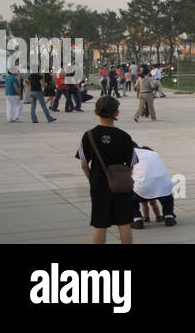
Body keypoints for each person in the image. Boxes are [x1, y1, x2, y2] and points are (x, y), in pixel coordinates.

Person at [75, 96, 137, 245]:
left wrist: (92, 179)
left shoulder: (89, 136)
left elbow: (83, 164)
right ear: (117, 113)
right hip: (120, 185)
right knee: (124, 223)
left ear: (96, 112)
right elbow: (132, 163)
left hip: (99, 184)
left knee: (100, 224)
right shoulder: (124, 136)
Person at [130, 145, 177, 228]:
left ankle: (137, 219)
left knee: (129, 197)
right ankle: (169, 216)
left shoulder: (130, 154)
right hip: (164, 186)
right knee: (167, 199)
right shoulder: (153, 153)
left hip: (143, 188)